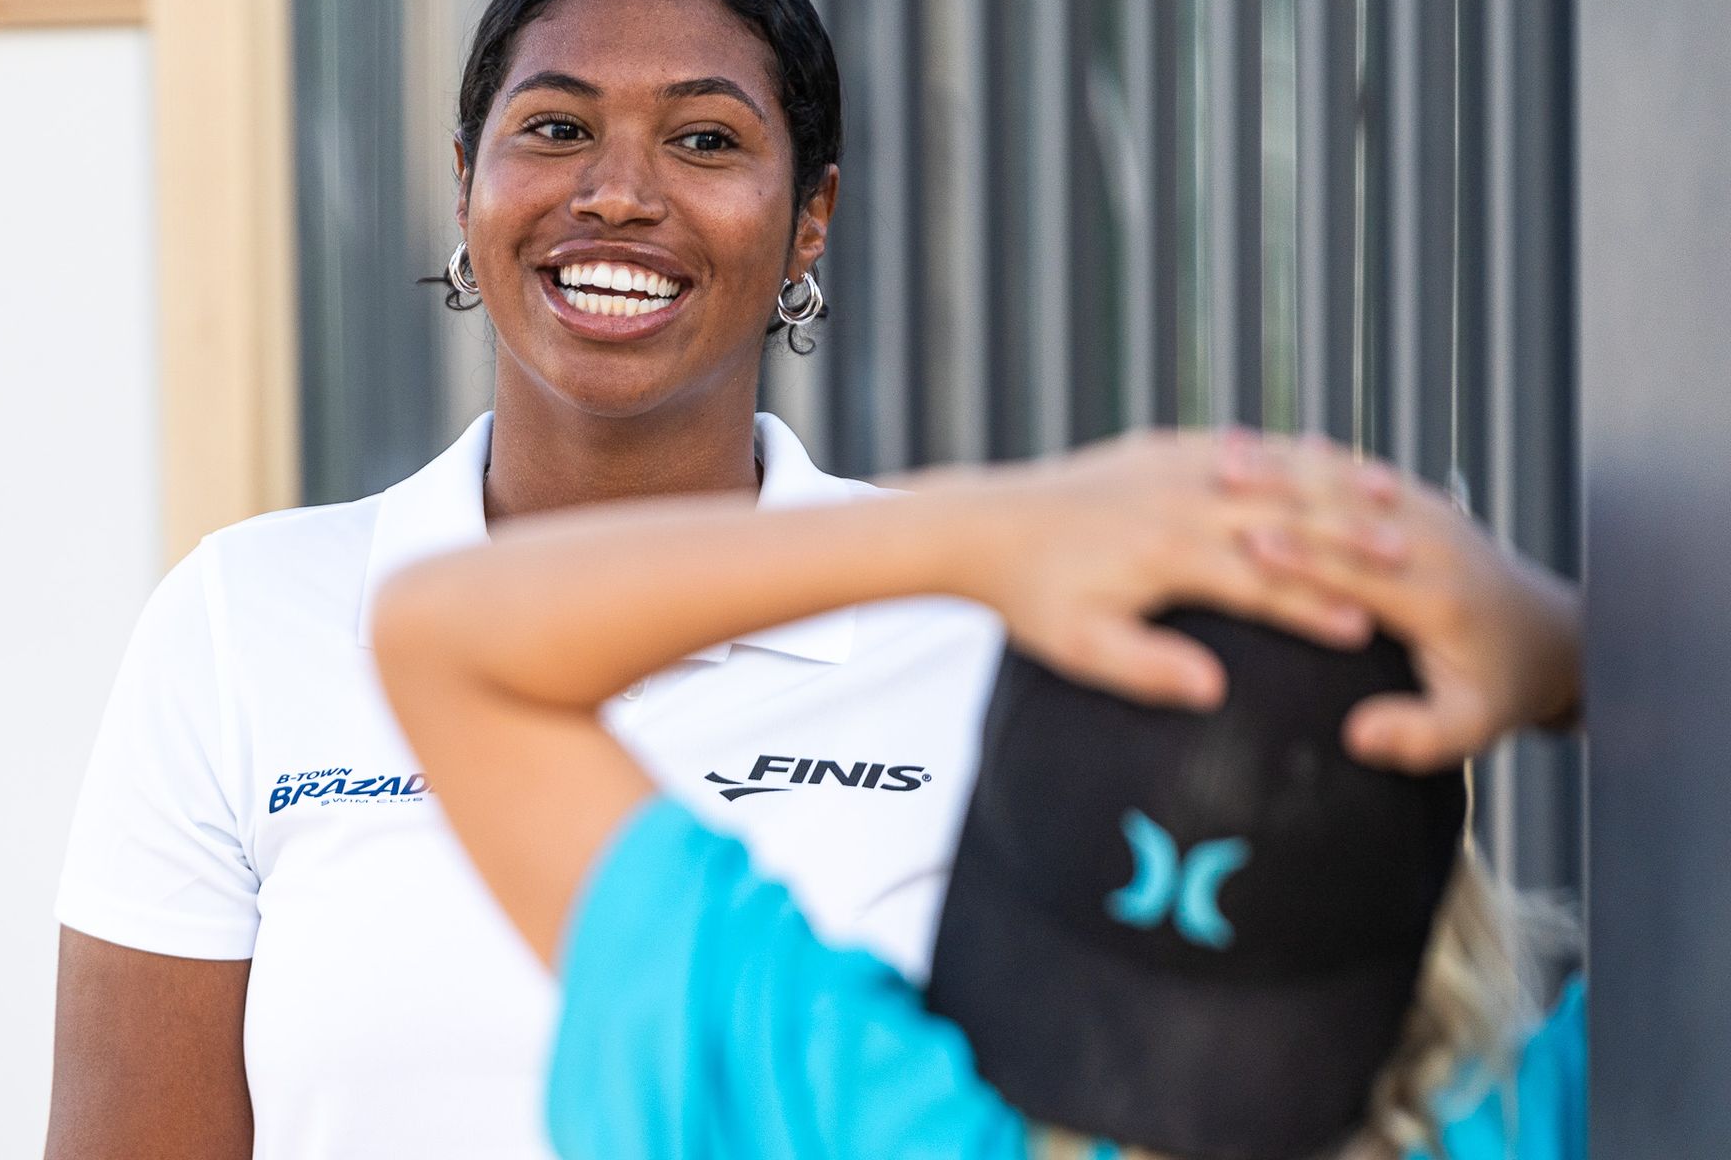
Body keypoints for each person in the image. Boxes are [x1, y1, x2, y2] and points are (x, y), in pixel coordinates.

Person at [54, 0, 1076, 1159]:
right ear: (466, 181)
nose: (617, 194)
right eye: (556, 128)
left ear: (811, 218)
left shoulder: (972, 633)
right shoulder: (240, 616)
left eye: (706, 140)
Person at [371, 433, 1585, 1159]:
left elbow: (448, 640)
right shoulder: (1541, 1121)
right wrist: (1566, 651)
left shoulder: (858, 1113)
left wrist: (985, 531)